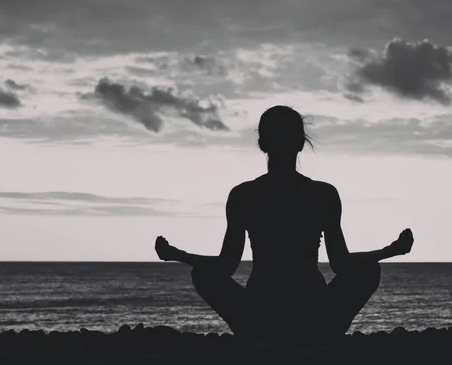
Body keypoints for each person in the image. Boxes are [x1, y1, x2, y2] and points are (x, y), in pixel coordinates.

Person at [154, 105, 414, 342]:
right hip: (315, 311)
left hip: (259, 312)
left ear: (262, 144)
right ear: (300, 143)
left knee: (202, 272)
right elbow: (342, 264)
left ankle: (256, 337)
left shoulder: (244, 195)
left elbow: (225, 266)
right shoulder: (323, 194)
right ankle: (321, 337)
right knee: (369, 269)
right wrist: (389, 251)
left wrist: (177, 255)